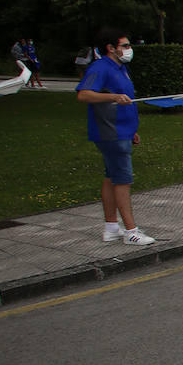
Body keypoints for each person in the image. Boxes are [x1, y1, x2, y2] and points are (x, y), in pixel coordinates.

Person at [74, 29, 155, 246]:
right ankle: (131, 231)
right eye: (125, 45)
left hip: (122, 131)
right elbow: (83, 94)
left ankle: (111, 227)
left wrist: (131, 130)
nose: (129, 50)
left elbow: (125, 101)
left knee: (111, 178)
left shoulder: (121, 68)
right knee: (122, 180)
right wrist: (113, 97)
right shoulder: (100, 67)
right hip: (111, 133)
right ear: (111, 48)